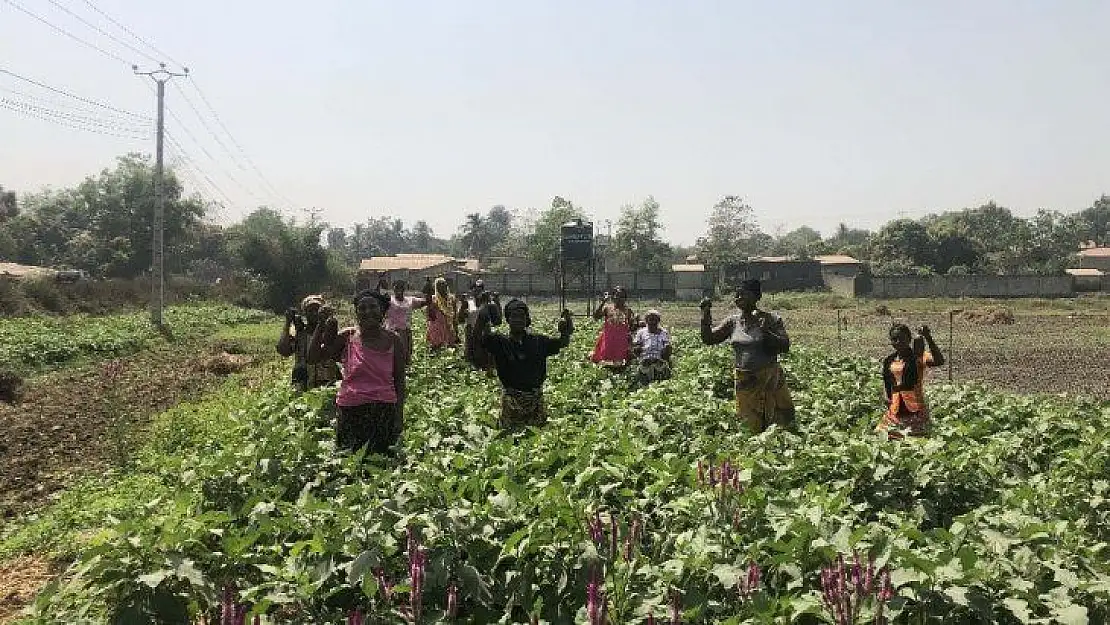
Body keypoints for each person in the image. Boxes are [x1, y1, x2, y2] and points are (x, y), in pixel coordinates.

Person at [307, 290, 409, 455]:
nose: (367, 311)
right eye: (362, 308)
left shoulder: (393, 340)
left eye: (372, 307)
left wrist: (398, 417)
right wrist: (321, 324)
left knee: (378, 467)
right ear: (357, 313)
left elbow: (399, 381)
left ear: (382, 310)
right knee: (349, 465)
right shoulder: (347, 337)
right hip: (350, 411)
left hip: (383, 411)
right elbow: (312, 358)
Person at [700, 279, 795, 433]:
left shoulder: (771, 319)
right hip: (745, 382)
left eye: (744, 293)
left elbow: (785, 346)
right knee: (748, 425)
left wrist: (766, 332)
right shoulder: (733, 322)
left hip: (768, 379)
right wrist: (705, 314)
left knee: (775, 423)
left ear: (756, 296)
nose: (739, 298)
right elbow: (709, 339)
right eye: (737, 295)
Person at [477, 299, 574, 431]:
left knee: (537, 441)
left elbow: (562, 342)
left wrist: (566, 328)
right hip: (512, 402)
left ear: (526, 319)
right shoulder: (499, 343)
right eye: (514, 316)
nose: (518, 320)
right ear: (508, 320)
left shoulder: (538, 342)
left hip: (535, 402)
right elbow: (480, 339)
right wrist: (482, 318)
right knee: (511, 441)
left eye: (521, 316)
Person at [876, 323, 945, 439]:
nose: (898, 342)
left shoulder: (918, 357)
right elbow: (887, 381)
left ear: (909, 339)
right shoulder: (889, 360)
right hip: (895, 408)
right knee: (881, 435)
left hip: (914, 407)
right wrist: (885, 396)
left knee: (912, 440)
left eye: (901, 338)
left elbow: (939, 361)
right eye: (894, 339)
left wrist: (928, 338)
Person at [276, 294, 340, 392]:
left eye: (317, 310)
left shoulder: (329, 332)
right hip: (301, 383)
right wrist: (288, 323)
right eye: (310, 311)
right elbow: (283, 350)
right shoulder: (299, 333)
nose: (314, 313)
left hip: (326, 384)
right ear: (304, 313)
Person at [461, 281, 503, 371]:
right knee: (471, 358)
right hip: (470, 334)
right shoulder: (468, 302)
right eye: (475, 289)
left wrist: (497, 303)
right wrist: (462, 307)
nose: (477, 291)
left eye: (479, 289)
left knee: (485, 359)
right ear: (472, 291)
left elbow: (498, 321)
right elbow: (460, 319)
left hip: (485, 335)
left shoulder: (489, 305)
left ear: (482, 290)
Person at [590, 286, 635, 367]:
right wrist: (603, 303)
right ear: (613, 297)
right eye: (617, 296)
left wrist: (630, 342)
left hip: (621, 341)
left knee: (620, 364)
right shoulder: (607, 308)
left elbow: (631, 327)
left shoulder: (628, 311)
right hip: (608, 339)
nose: (620, 298)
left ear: (625, 298)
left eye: (622, 296)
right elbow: (596, 317)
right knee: (605, 361)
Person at [384, 279, 428, 358]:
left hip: (405, 331)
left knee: (406, 354)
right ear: (393, 289)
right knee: (393, 354)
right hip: (392, 331)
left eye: (401, 287)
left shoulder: (410, 300)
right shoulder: (389, 300)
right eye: (396, 287)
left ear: (404, 289)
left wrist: (428, 289)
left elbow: (425, 302)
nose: (398, 289)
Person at [632, 309, 673, 387]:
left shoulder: (663, 332)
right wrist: (637, 348)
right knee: (644, 383)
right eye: (650, 320)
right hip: (645, 360)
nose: (653, 322)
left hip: (660, 360)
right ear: (646, 321)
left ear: (658, 321)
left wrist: (667, 348)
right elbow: (636, 345)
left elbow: (667, 345)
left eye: (655, 320)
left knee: (660, 383)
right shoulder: (641, 332)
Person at [425, 277, 459, 350]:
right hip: (437, 330)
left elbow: (455, 317)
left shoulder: (452, 299)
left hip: (449, 329)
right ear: (436, 287)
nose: (442, 287)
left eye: (444, 285)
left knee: (450, 352)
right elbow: (429, 317)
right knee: (437, 352)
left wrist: (456, 333)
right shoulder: (433, 299)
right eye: (440, 285)